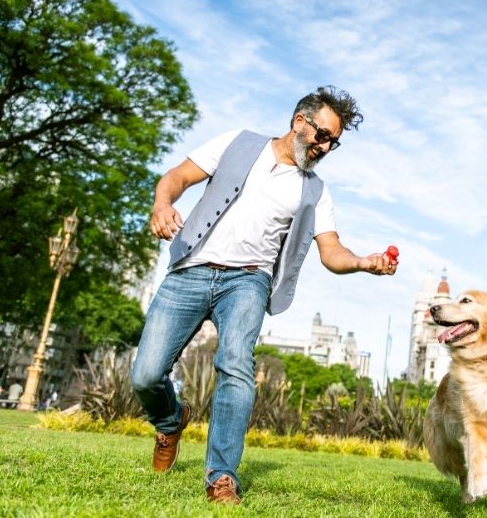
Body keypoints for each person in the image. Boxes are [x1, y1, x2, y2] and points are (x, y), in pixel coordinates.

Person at [130, 86, 397, 505]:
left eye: (334, 142)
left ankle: (221, 478)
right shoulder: (238, 143)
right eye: (322, 135)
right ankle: (170, 419)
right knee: (145, 374)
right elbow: (177, 177)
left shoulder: (316, 191)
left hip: (247, 282)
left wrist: (364, 261)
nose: (325, 146)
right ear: (299, 122)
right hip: (191, 268)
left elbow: (331, 252)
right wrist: (162, 206)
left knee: (235, 367)